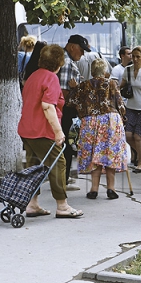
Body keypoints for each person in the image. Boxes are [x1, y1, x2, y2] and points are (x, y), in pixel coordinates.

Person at [19, 44, 83, 219]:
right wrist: (58, 132)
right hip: (42, 130)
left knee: (33, 167)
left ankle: (32, 204)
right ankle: (62, 206)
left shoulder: (33, 76)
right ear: (58, 63)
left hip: (27, 129)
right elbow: (48, 107)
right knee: (59, 164)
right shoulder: (51, 78)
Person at [67, 58, 127, 200]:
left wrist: (75, 89)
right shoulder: (112, 83)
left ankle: (94, 189)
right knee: (109, 153)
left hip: (91, 121)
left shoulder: (84, 85)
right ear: (105, 71)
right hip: (110, 120)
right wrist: (123, 118)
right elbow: (121, 105)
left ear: (92, 71)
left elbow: (71, 102)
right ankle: (111, 189)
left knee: (95, 155)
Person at [58, 35, 88, 187]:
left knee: (66, 145)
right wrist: (77, 91)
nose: (82, 54)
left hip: (63, 111)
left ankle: (62, 178)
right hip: (66, 111)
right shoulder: (67, 63)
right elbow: (63, 93)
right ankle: (62, 180)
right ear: (71, 47)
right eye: (81, 50)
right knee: (67, 146)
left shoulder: (65, 60)